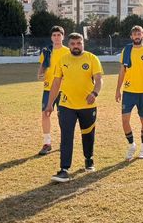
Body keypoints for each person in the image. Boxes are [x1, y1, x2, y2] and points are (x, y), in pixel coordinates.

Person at [47, 33, 104, 182]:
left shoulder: (92, 58)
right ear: (69, 44)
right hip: (66, 104)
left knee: (88, 134)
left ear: (83, 44)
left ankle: (89, 159)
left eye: (79, 43)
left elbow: (99, 79)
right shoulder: (63, 60)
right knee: (66, 136)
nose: (76, 46)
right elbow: (56, 83)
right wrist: (49, 103)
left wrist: (95, 93)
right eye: (73, 44)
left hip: (88, 104)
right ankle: (64, 169)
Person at [116, 26, 143, 161]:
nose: (137, 36)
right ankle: (132, 145)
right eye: (134, 34)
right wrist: (118, 90)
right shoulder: (126, 50)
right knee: (124, 121)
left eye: (139, 33)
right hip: (128, 92)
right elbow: (122, 71)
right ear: (131, 36)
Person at [36, 26, 70, 156]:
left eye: (58, 35)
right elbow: (42, 67)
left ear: (63, 36)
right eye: (54, 35)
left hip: (63, 90)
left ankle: (65, 142)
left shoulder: (68, 52)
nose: (56, 37)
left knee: (64, 117)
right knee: (46, 114)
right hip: (48, 89)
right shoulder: (46, 51)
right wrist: (40, 75)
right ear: (51, 37)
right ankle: (47, 143)